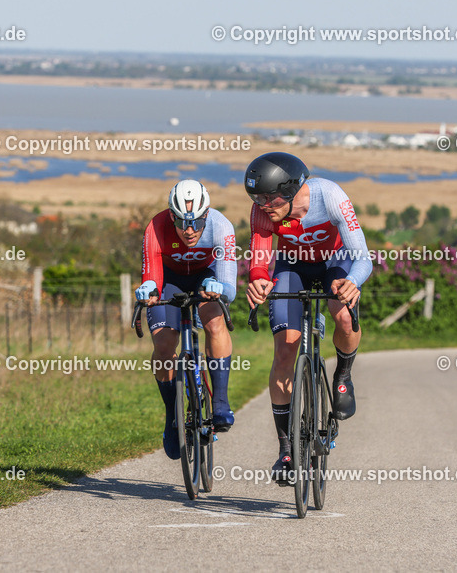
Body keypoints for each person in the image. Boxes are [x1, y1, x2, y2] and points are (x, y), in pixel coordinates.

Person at [244, 152, 371, 483]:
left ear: (290, 189)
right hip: (292, 266)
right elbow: (259, 260)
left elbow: (362, 257)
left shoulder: (330, 197)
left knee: (343, 315)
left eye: (268, 197)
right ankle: (286, 448)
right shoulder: (263, 212)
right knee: (286, 348)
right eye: (257, 197)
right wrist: (257, 278)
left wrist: (352, 282)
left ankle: (343, 375)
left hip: (336, 261)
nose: (262, 204)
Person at [135, 179, 237, 460]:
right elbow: (153, 276)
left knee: (214, 323)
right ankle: (172, 416)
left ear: (207, 215)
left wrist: (221, 290)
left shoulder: (221, 226)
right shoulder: (156, 227)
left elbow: (230, 285)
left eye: (195, 222)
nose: (188, 230)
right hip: (170, 279)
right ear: (171, 216)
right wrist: (149, 288)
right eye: (180, 222)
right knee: (164, 346)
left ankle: (219, 401)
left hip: (207, 276)